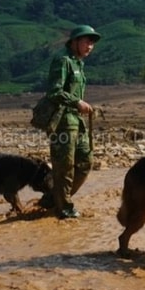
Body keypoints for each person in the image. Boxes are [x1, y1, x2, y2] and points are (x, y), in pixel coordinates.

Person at [39, 24, 101, 219]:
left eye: (92, 42)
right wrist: (76, 101)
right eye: (86, 41)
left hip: (76, 121)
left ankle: (53, 199)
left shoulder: (78, 64)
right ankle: (64, 208)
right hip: (63, 121)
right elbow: (54, 91)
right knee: (64, 166)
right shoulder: (63, 60)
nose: (90, 46)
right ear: (74, 42)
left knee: (85, 161)